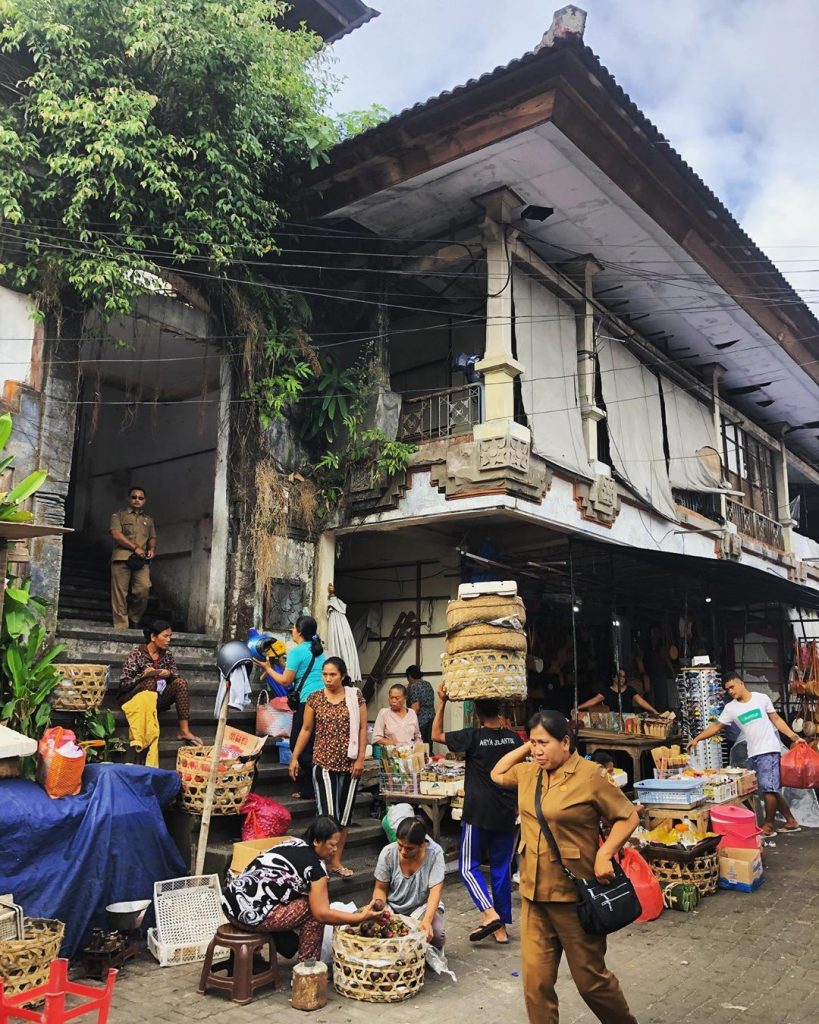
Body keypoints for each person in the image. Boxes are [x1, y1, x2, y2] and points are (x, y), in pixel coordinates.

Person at [491, 711, 640, 1024]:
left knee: (591, 983)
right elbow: (497, 772)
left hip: (575, 896)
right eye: (534, 743)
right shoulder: (529, 773)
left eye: (544, 742)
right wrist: (527, 745)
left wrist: (604, 854)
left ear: (566, 742)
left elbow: (628, 816)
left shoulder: (590, 776)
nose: (538, 750)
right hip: (533, 894)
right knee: (536, 985)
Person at [432, 687, 523, 945]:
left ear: (477, 714)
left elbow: (435, 734)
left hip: (478, 811)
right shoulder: (514, 739)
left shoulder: (473, 735)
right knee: (501, 868)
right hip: (506, 811)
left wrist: (443, 701)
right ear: (500, 711)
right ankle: (501, 929)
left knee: (467, 867)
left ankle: (489, 913)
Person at [222, 816, 381, 962]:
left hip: (229, 907)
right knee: (313, 910)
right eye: (332, 845)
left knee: (284, 895)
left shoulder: (292, 843)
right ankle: (307, 968)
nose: (335, 850)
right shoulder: (315, 869)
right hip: (248, 917)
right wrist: (359, 918)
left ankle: (265, 951)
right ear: (317, 841)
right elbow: (322, 914)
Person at [688, 674, 804, 837]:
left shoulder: (761, 698)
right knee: (769, 787)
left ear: (741, 683)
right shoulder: (731, 708)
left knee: (769, 789)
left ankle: (769, 825)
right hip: (753, 752)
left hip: (769, 749)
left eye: (732, 687)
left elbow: (776, 719)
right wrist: (697, 739)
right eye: (727, 689)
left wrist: (794, 737)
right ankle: (791, 821)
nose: (730, 691)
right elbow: (716, 727)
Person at [289, 656, 368, 877]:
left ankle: (336, 862)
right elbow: (305, 730)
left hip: (350, 765)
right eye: (324, 674)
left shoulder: (355, 697)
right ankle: (319, 863)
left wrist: (361, 759)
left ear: (342, 675)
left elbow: (362, 729)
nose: (328, 678)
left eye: (332, 674)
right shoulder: (315, 699)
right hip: (323, 763)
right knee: (327, 817)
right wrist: (295, 757)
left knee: (343, 819)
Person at [258, 616, 325, 800]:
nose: (292, 631)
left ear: (299, 631)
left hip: (307, 703)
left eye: (293, 628)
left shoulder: (297, 652)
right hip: (322, 701)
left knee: (298, 746)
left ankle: (319, 782)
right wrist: (279, 664)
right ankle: (313, 788)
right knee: (311, 747)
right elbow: (300, 672)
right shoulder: (318, 650)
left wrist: (267, 668)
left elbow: (286, 680)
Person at [119, 619, 201, 745]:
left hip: (158, 699)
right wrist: (143, 675)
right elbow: (124, 684)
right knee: (150, 681)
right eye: (165, 636)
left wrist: (169, 674)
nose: (169, 639)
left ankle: (184, 730)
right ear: (153, 637)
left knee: (181, 683)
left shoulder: (167, 655)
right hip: (135, 700)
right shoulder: (135, 655)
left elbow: (176, 675)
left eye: (170, 636)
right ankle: (147, 729)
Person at [371, 816, 446, 949]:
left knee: (437, 935)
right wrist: (380, 908)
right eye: (400, 846)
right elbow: (380, 888)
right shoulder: (388, 853)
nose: (403, 851)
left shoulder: (435, 853)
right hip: (393, 907)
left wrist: (427, 921)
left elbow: (436, 890)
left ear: (422, 844)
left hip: (421, 907)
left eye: (409, 848)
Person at [110, 485, 156, 630]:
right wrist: (135, 547)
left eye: (140, 498)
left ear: (145, 500)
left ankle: (134, 617)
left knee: (144, 588)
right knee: (119, 593)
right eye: (134, 497)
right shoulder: (118, 516)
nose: (137, 500)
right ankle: (121, 626)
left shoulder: (148, 520)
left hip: (141, 560)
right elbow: (116, 534)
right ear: (128, 499)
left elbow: (152, 537)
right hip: (122, 557)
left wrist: (152, 549)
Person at [578, 668, 661, 717]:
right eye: (619, 676)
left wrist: (654, 711)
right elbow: (593, 701)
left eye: (624, 677)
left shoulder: (629, 690)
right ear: (613, 678)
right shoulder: (607, 691)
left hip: (629, 721)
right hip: (614, 723)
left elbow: (641, 701)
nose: (622, 679)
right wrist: (578, 707)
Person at [406, 665, 435, 746]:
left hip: (421, 721)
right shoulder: (427, 684)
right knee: (429, 745)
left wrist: (409, 722)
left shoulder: (414, 686)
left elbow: (416, 707)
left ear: (410, 676)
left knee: (421, 746)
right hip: (431, 718)